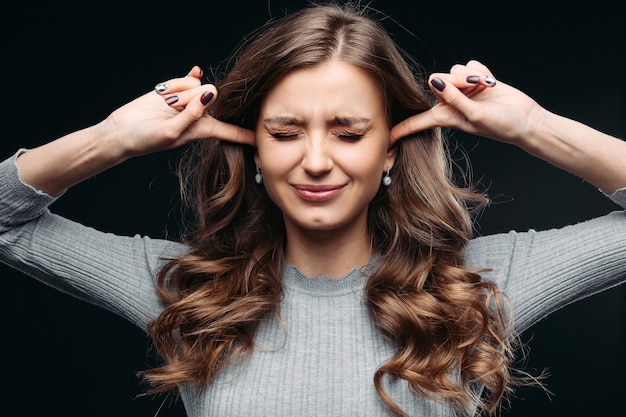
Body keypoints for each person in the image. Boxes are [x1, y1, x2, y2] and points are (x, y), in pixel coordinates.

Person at [1, 2, 624, 417]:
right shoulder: (189, 290)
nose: (318, 161)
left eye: (350, 133)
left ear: (390, 150)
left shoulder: (480, 285)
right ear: (251, 148)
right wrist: (112, 138)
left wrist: (533, 127)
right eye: (287, 131)